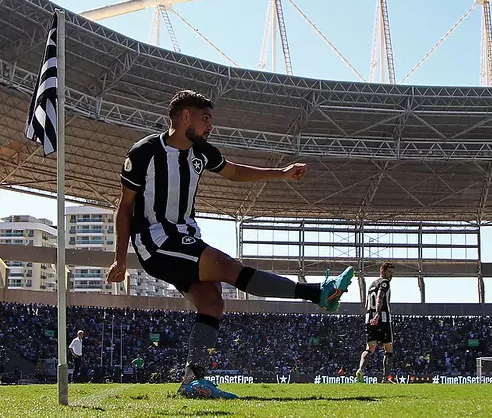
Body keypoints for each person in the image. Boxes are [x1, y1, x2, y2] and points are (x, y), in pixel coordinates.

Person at [106, 90, 354, 399]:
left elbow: (234, 171)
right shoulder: (145, 152)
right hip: (156, 240)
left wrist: (281, 174)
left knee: (212, 303)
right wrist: (120, 258)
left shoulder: (201, 152)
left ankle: (193, 382)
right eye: (205, 119)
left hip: (185, 238)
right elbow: (125, 206)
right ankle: (318, 293)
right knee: (228, 267)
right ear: (186, 117)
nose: (210, 126)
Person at [355, 262, 395, 383]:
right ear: (382, 271)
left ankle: (361, 370)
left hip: (369, 319)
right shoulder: (384, 282)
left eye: (392, 273)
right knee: (388, 348)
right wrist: (378, 313)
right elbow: (379, 297)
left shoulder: (372, 284)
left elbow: (367, 303)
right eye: (389, 272)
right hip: (382, 318)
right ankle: (385, 379)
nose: (391, 275)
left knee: (369, 348)